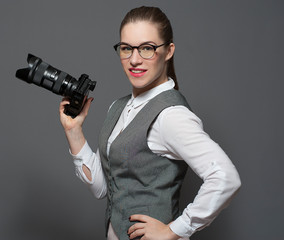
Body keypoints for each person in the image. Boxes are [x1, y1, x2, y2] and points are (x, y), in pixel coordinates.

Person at [59, 6, 241, 240]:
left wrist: (174, 230)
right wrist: (74, 131)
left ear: (168, 51)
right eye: (126, 48)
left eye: (147, 48)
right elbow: (103, 189)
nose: (134, 60)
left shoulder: (171, 116)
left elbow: (226, 178)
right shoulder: (118, 107)